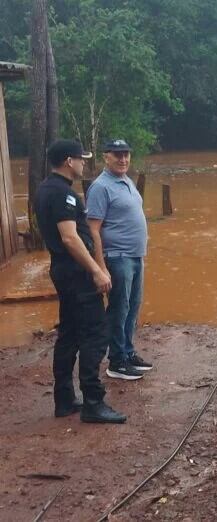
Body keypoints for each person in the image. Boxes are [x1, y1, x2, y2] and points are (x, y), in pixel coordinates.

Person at [35, 139, 126, 423]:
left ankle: (64, 400)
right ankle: (93, 403)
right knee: (95, 336)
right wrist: (97, 271)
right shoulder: (64, 194)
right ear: (68, 161)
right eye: (80, 158)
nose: (83, 163)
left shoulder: (45, 189)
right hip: (76, 275)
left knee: (70, 334)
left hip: (63, 272)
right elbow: (70, 238)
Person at [87, 139, 152, 381]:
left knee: (133, 307)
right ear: (106, 157)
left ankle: (127, 351)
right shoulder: (100, 187)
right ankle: (116, 361)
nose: (123, 159)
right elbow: (93, 229)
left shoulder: (126, 181)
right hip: (117, 257)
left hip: (135, 256)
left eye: (126, 155)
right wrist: (100, 266)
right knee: (119, 309)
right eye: (117, 155)